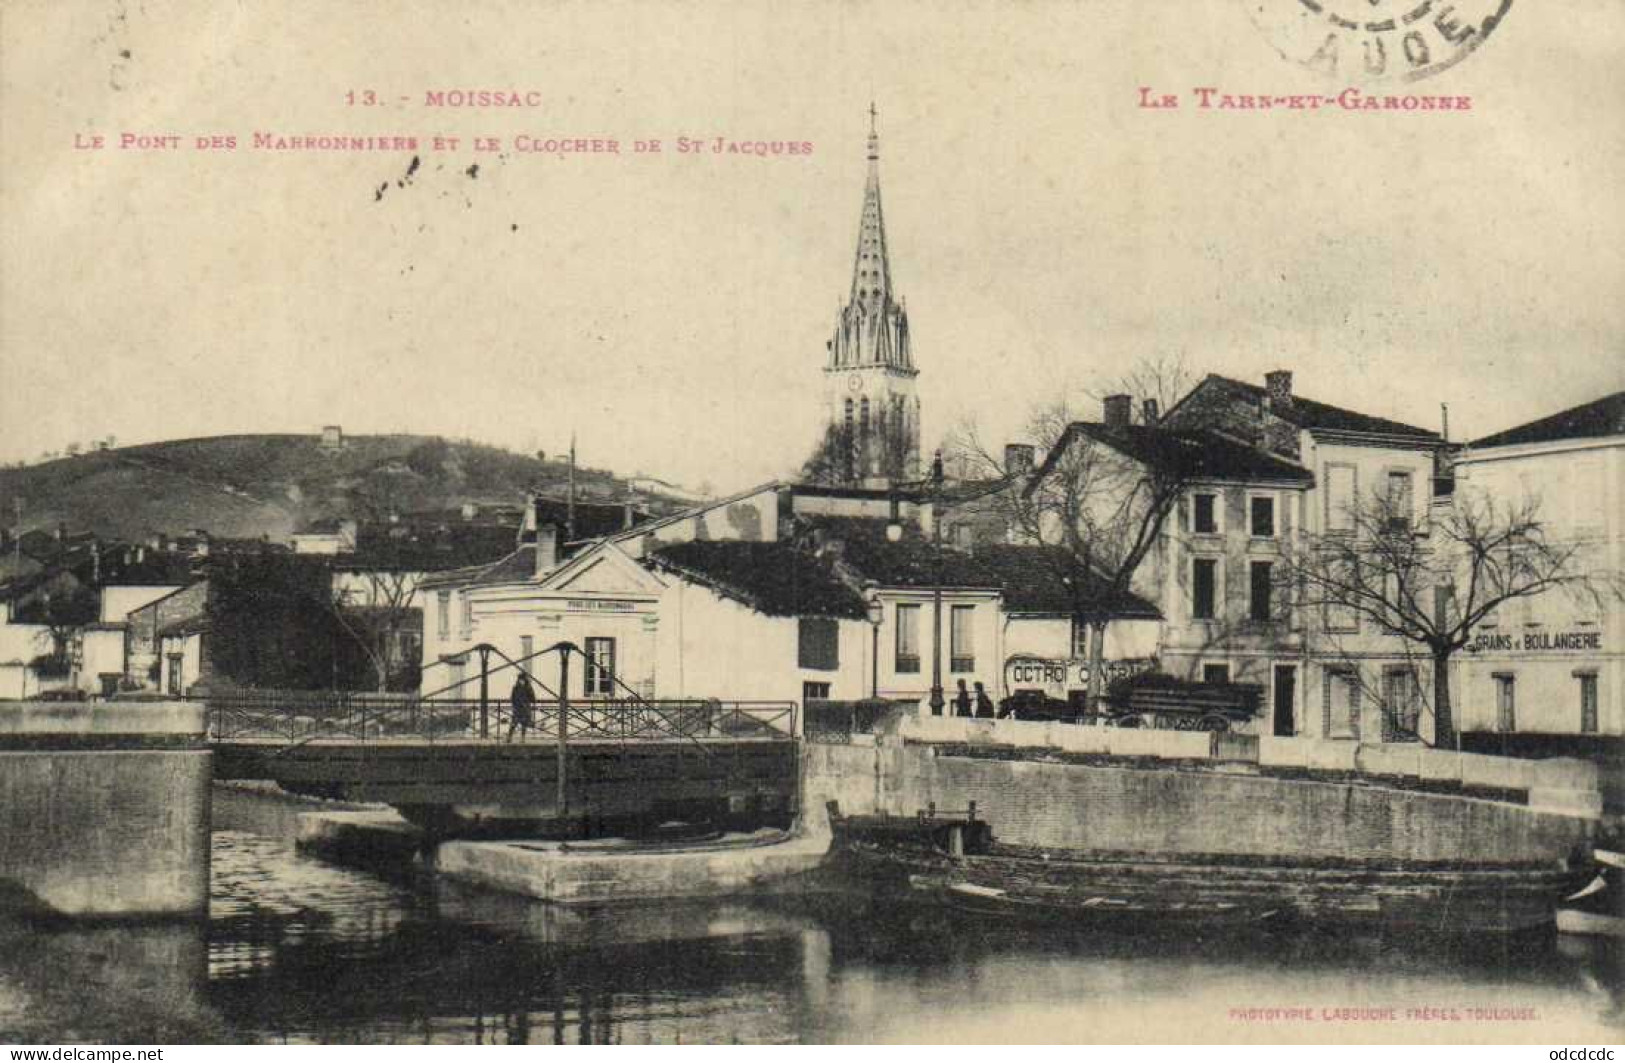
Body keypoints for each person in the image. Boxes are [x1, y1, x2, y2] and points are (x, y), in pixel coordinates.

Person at [507, 672, 536, 742]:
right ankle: (509, 738)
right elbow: (512, 698)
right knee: (514, 723)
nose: (521, 681)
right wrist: (515, 705)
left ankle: (522, 738)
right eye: (520, 679)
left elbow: (533, 699)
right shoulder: (516, 687)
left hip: (524, 708)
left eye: (522, 679)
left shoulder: (528, 687)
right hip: (518, 708)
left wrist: (528, 699)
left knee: (523, 724)